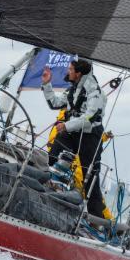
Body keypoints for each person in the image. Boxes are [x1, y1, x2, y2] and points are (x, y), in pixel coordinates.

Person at [41, 59, 107, 217]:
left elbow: (90, 118)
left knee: (90, 176)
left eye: (70, 69)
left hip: (90, 137)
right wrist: (47, 84)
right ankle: (43, 183)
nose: (67, 72)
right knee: (52, 154)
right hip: (73, 133)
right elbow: (55, 104)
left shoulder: (94, 92)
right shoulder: (73, 89)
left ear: (78, 73)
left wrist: (67, 125)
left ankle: (96, 217)